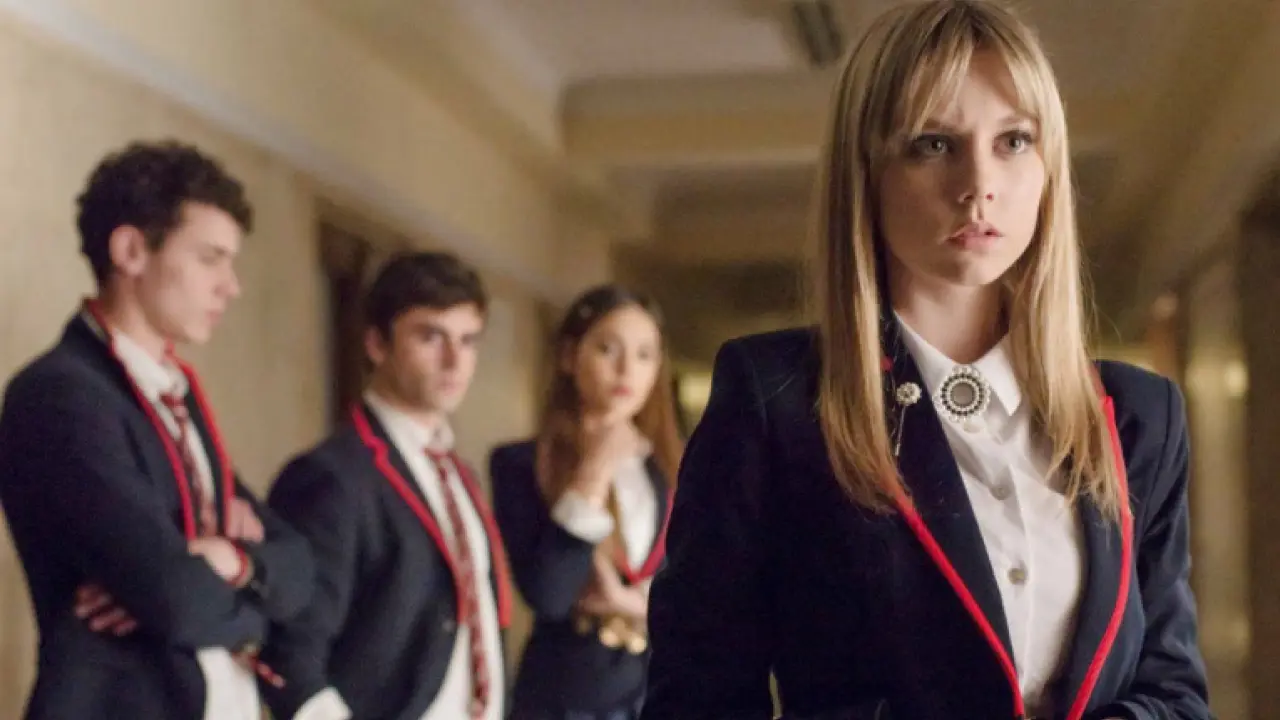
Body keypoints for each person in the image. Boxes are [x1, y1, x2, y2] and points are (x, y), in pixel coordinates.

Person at [639, 2, 1212, 719]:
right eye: (933, 144)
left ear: (1049, 168)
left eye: (1014, 140)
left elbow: (1173, 692)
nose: (979, 184)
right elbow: (698, 700)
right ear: (867, 172)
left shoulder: (1140, 418)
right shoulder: (775, 401)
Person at [0, 140, 315, 720]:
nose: (231, 286)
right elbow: (177, 598)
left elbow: (300, 571)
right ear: (131, 250)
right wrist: (243, 591)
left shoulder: (172, 395)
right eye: (210, 258)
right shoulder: (62, 395)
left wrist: (231, 561)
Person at [259, 251, 512, 720]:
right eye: (430, 337)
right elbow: (291, 653)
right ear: (376, 343)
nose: (454, 360)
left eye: (468, 340)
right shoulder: (332, 475)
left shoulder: (460, 474)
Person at [490, 285, 683, 720]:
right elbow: (550, 592)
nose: (626, 369)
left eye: (644, 355)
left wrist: (628, 603)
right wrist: (597, 465)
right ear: (568, 356)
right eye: (607, 349)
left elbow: (704, 595)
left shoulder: (673, 468)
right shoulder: (519, 463)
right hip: (568, 697)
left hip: (657, 691)